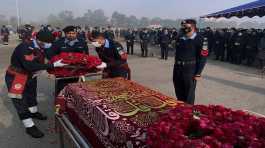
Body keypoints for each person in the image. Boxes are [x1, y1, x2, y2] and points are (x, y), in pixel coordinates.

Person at [5, 30, 67, 138]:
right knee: (20, 102)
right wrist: (51, 66)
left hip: (31, 76)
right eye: (47, 42)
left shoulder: (42, 47)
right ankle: (29, 126)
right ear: (39, 40)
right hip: (17, 77)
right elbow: (30, 66)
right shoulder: (25, 47)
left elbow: (50, 57)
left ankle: (33, 112)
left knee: (31, 96)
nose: (49, 45)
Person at [173, 19, 208, 105]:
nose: (184, 28)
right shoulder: (180, 37)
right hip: (177, 67)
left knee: (189, 93)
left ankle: (188, 112)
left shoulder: (201, 39)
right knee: (178, 90)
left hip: (190, 69)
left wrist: (198, 73)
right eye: (183, 26)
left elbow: (203, 57)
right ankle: (181, 108)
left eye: (186, 26)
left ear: (193, 27)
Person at [46, 26, 89, 95]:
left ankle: (71, 102)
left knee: (74, 88)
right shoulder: (58, 42)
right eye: (69, 33)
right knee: (61, 88)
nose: (71, 35)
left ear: (76, 33)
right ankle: (59, 103)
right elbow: (50, 54)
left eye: (73, 33)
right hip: (62, 71)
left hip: (76, 70)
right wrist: (57, 63)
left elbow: (86, 55)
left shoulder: (82, 42)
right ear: (65, 33)